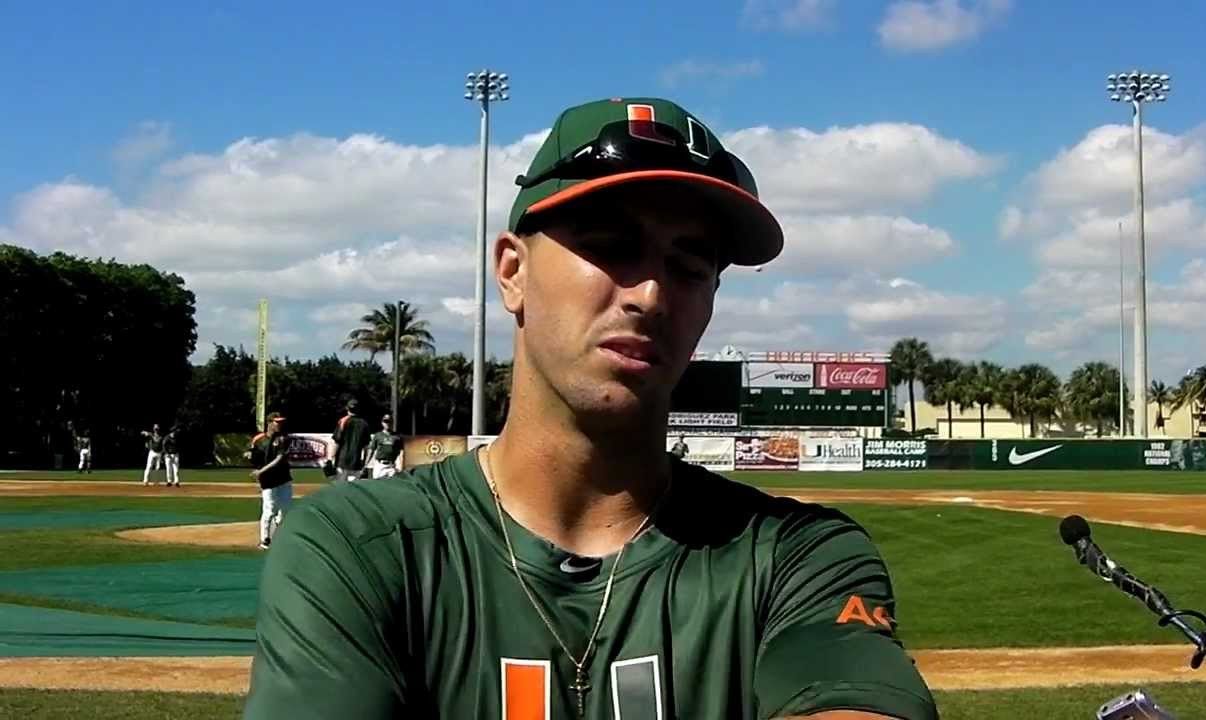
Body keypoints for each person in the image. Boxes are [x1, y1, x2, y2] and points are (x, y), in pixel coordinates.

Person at [245, 97, 936, 719]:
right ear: (512, 272)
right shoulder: (358, 548)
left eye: (690, 267)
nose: (651, 295)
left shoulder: (796, 557)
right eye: (610, 248)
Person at [246, 412, 293, 550]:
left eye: (280, 422)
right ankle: (264, 540)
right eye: (277, 422)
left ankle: (279, 537)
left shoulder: (283, 439)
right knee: (269, 510)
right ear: (269, 423)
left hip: (283, 478)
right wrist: (249, 455)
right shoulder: (259, 439)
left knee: (284, 511)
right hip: (268, 480)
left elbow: (279, 459)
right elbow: (252, 453)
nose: (279, 424)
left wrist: (260, 471)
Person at [329, 399, 371, 483]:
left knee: (340, 490)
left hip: (342, 462)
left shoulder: (342, 421)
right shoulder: (364, 424)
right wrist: (365, 463)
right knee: (354, 491)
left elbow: (336, 442)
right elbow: (366, 447)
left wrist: (331, 458)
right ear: (358, 409)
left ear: (347, 408)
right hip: (356, 462)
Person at [366, 414, 403, 479]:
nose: (387, 423)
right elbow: (371, 450)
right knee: (377, 484)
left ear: (392, 422)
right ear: (382, 423)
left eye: (389, 421)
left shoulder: (397, 437)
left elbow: (401, 452)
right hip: (380, 465)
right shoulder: (378, 435)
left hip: (391, 466)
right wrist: (365, 464)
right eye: (385, 421)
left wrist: (401, 466)